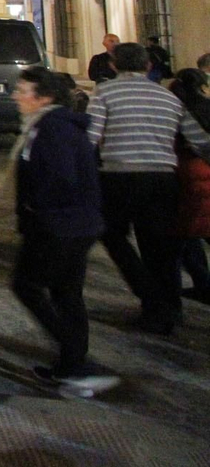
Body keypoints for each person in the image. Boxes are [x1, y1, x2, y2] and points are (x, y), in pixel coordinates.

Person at [87, 42, 210, 335]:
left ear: (113, 65)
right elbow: (200, 141)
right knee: (160, 248)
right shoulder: (168, 98)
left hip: (118, 178)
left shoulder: (104, 92)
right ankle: (168, 310)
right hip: (161, 180)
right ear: (148, 66)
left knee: (111, 235)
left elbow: (90, 137)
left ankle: (150, 297)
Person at [8, 66, 117, 395]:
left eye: (23, 91)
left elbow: (58, 179)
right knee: (67, 293)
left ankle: (79, 364)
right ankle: (73, 366)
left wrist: (35, 210)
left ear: (44, 97)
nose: (17, 96)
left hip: (58, 225)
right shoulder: (51, 126)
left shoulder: (52, 129)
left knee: (27, 286)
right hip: (73, 223)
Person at [169, 68, 210, 304]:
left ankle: (201, 282)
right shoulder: (205, 105)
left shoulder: (179, 110)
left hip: (187, 173)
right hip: (201, 171)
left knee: (185, 234)